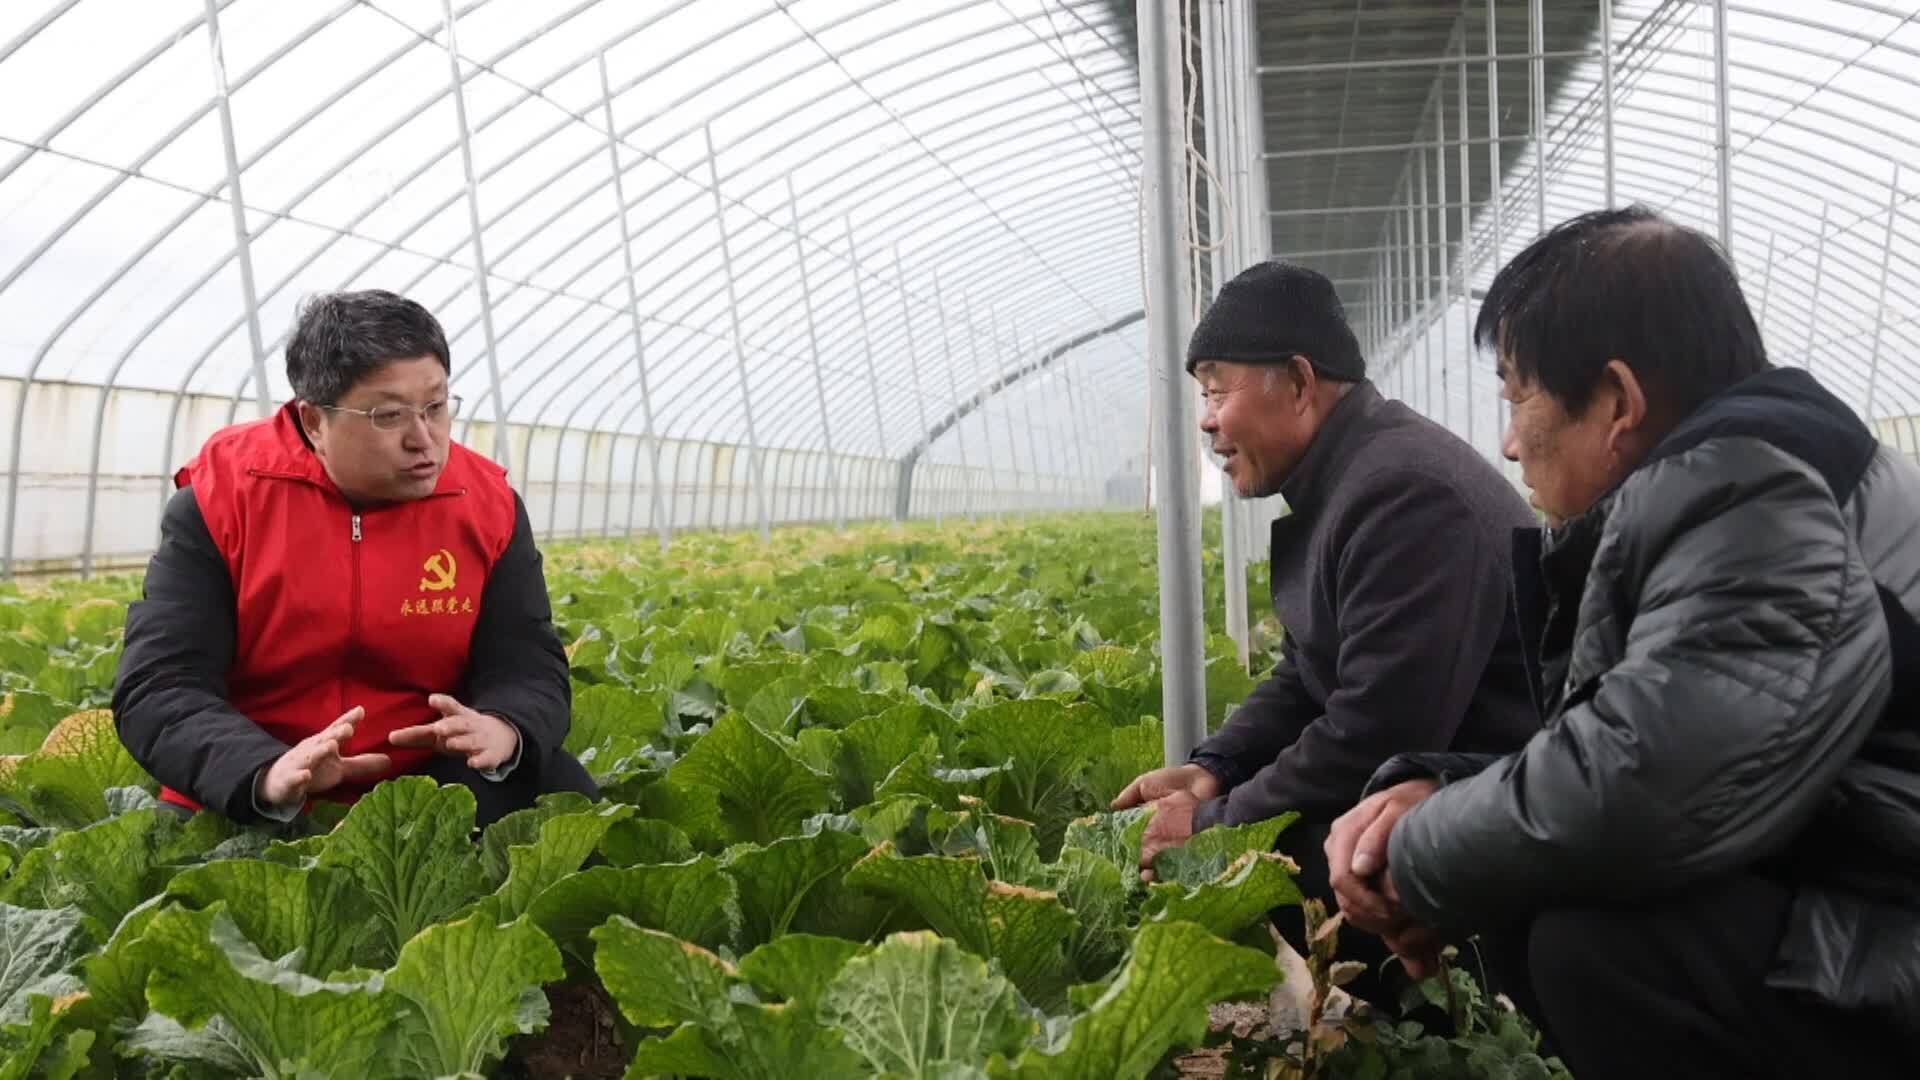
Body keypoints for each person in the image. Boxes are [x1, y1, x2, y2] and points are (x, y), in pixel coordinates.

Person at [1327, 205, 1920, 1078]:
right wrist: (1442, 793)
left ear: (1616, 401)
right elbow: (1647, 732)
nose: (1508, 442)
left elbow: (1643, 786)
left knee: (1596, 944)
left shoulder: (1763, 503)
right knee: (1537, 887)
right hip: (1865, 883)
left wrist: (1415, 853)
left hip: (1888, 925)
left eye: (1518, 396)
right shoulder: (1754, 472)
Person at [1112, 261, 1541, 996]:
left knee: (1277, 868)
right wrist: (1214, 767)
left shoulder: (1403, 494)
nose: (1208, 420)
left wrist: (1213, 827)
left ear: (1302, 383)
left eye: (1217, 389)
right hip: (1435, 795)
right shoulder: (1357, 475)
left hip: (1497, 826)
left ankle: (1458, 1012)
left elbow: (1372, 732)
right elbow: (1308, 674)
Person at [113, 289, 597, 829]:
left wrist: (506, 726)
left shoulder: (488, 504)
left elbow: (527, 660)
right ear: (315, 421)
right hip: (254, 788)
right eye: (388, 415)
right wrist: (266, 770)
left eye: (436, 406)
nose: (424, 440)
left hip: (427, 788)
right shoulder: (222, 499)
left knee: (562, 795)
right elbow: (159, 683)